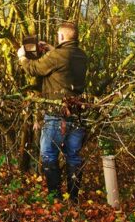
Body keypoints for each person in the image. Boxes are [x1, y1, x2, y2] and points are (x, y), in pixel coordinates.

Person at [16, 21, 88, 202]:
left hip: (56, 114)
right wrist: (51, 49)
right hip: (77, 115)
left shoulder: (57, 56)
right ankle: (73, 199)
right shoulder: (82, 56)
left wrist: (22, 56)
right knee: (73, 156)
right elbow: (63, 65)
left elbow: (33, 69)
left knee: (48, 154)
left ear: (62, 37)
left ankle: (55, 198)